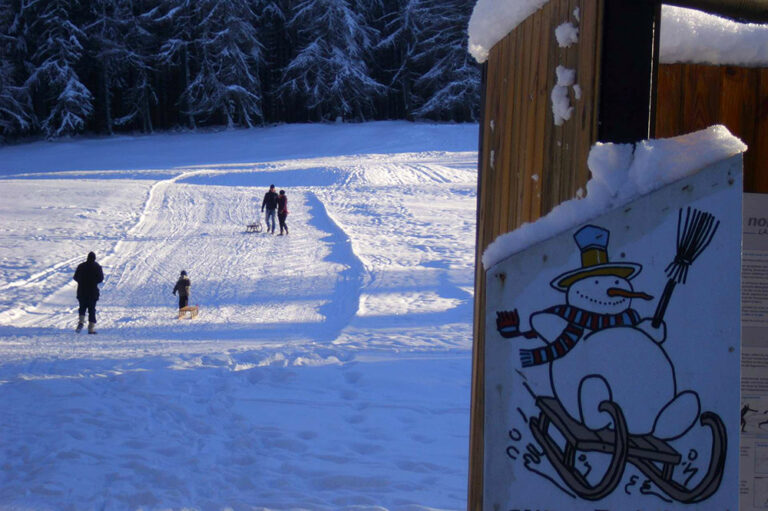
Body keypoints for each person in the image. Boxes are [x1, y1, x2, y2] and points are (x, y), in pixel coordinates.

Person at [73, 251, 104, 334]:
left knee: (82, 307)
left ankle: (81, 322)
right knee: (92, 310)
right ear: (94, 258)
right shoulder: (97, 267)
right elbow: (101, 279)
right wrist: (93, 281)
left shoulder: (81, 266)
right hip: (92, 291)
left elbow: (75, 277)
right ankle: (91, 329)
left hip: (81, 291)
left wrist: (81, 281)